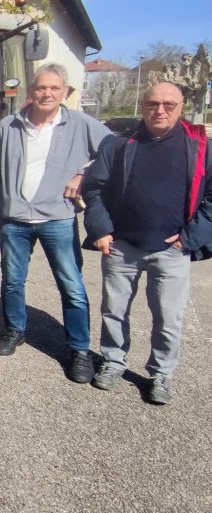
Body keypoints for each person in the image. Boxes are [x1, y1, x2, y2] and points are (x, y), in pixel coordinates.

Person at [81, 82, 212, 404]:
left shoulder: (200, 149)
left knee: (168, 317)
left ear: (181, 107)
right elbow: (93, 188)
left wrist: (189, 239)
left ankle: (160, 375)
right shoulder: (119, 144)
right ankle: (113, 361)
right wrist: (101, 230)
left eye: (169, 104)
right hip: (121, 246)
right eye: (153, 103)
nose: (160, 110)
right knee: (113, 311)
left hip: (171, 250)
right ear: (143, 106)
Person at [0, 62, 111, 383]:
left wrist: (83, 174)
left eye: (54, 88)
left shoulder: (81, 124)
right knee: (12, 281)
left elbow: (115, 151)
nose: (47, 93)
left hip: (57, 218)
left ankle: (79, 349)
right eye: (41, 87)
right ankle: (15, 330)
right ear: (31, 91)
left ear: (65, 92)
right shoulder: (8, 126)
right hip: (14, 219)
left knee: (70, 285)